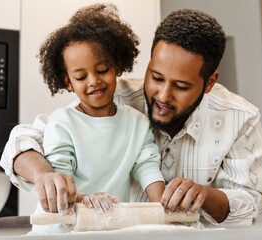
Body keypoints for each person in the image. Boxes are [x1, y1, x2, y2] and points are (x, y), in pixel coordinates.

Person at [1, 8, 262, 227]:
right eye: (156, 77)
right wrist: (46, 176)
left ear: (209, 83)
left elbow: (251, 204)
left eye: (181, 86)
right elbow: (25, 138)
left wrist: (205, 195)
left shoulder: (240, 118)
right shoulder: (112, 96)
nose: (162, 95)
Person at [16, 3, 165, 233]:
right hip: (59, 231)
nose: (93, 81)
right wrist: (85, 200)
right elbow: (60, 183)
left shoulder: (137, 123)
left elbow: (148, 169)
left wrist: (167, 208)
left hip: (106, 229)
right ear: (68, 82)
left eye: (102, 70)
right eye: (81, 76)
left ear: (117, 67)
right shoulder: (62, 123)